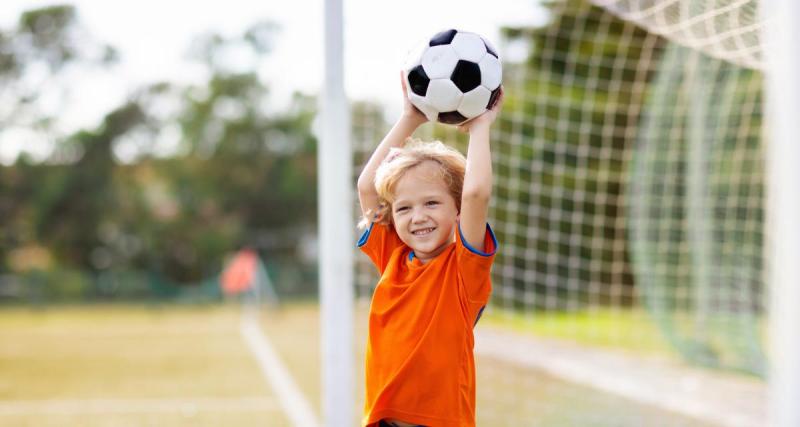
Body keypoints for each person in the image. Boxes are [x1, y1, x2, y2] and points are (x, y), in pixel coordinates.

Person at [356, 72, 504, 427]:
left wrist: (481, 126)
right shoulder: (392, 255)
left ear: (456, 211)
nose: (417, 217)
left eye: (432, 203)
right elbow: (367, 187)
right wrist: (410, 118)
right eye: (404, 208)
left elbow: (475, 193)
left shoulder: (463, 270)